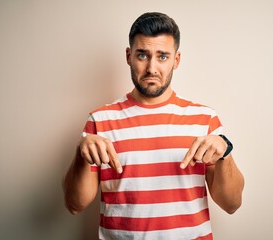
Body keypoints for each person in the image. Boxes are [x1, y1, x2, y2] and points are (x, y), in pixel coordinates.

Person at [63, 12, 244, 240]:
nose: (151, 68)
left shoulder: (204, 118)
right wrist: (81, 154)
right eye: (142, 55)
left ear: (176, 60)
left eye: (162, 57)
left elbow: (231, 204)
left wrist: (224, 152)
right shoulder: (100, 120)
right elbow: (74, 205)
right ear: (129, 56)